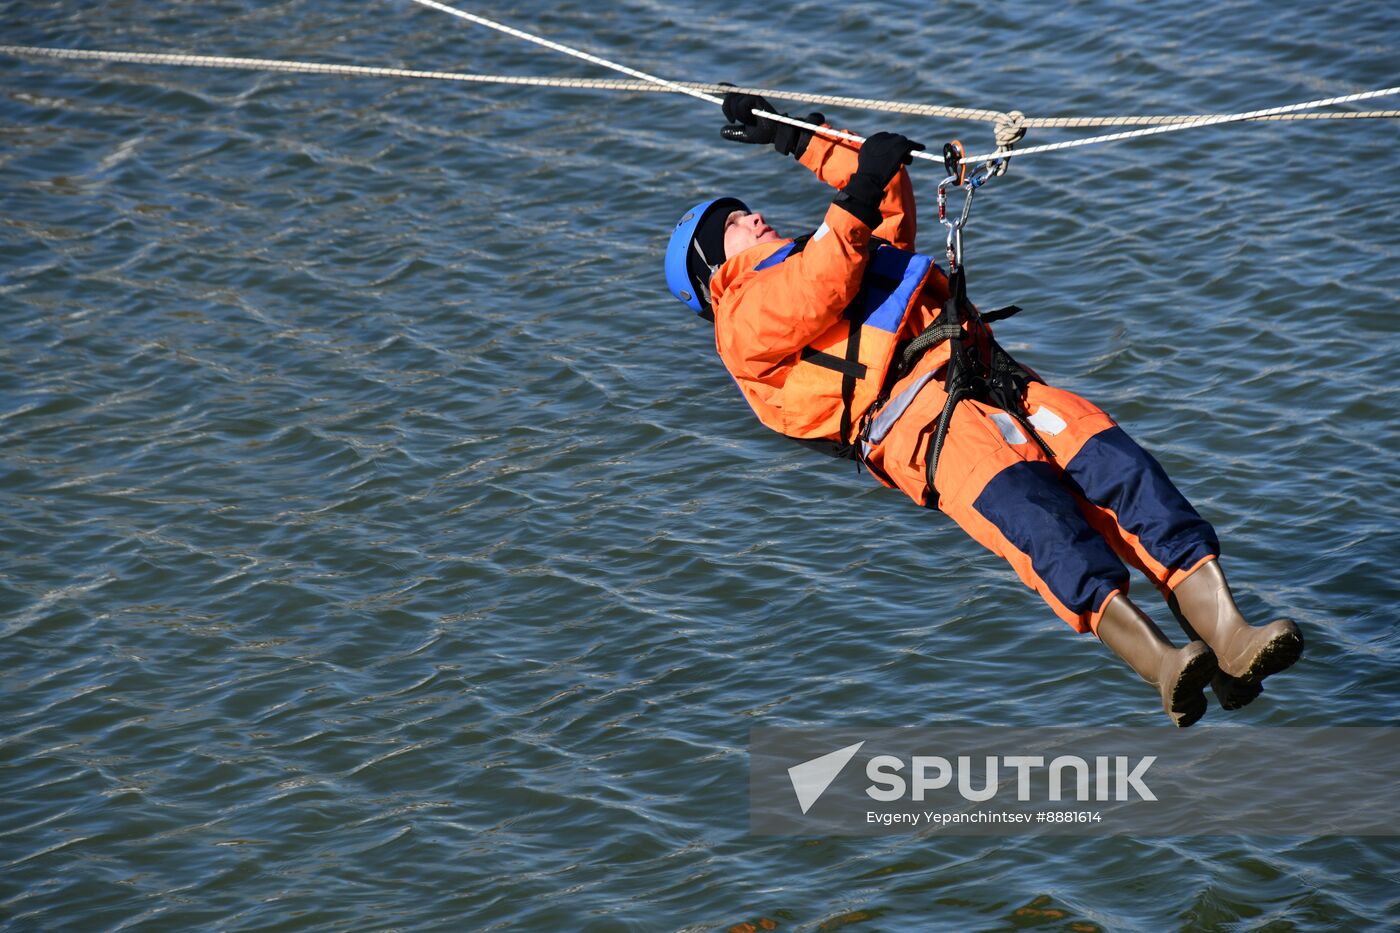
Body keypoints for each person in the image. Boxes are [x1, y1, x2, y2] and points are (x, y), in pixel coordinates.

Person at [663, 92, 1304, 726]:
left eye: (745, 210)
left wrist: (798, 136)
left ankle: (1231, 640)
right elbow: (817, 288)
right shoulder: (741, 322)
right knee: (1044, 528)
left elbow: (880, 201)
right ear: (713, 268)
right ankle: (1166, 667)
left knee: (1124, 471)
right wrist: (853, 195)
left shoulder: (834, 246)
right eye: (732, 225)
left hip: (997, 379)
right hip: (929, 429)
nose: (751, 218)